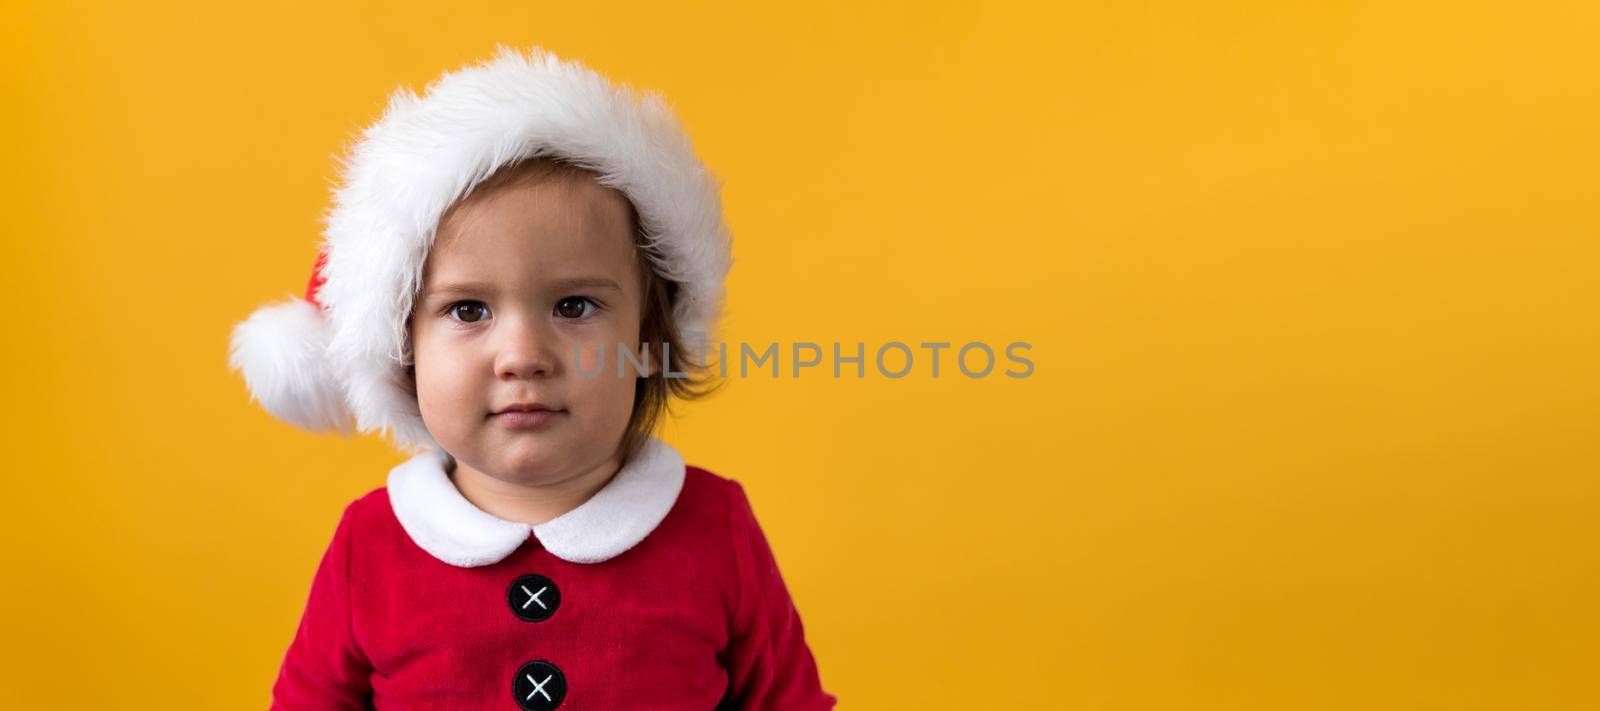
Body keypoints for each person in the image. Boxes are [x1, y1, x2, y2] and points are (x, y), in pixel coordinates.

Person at [228, 45, 836, 710]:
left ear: (648, 338)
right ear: (403, 348)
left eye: (574, 306)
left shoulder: (713, 528)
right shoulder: (370, 545)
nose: (522, 354)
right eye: (468, 309)